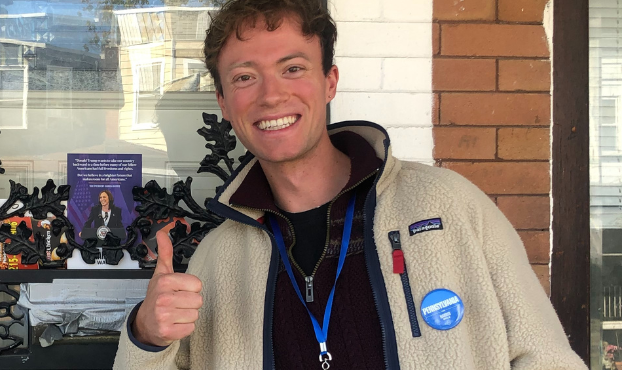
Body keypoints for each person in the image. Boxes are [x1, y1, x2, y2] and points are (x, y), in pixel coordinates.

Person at [113, 0, 586, 369]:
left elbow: (546, 358)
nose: (271, 94)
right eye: (244, 77)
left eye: (293, 68)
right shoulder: (216, 258)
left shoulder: (451, 207)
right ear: (223, 100)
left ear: (330, 80)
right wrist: (146, 336)